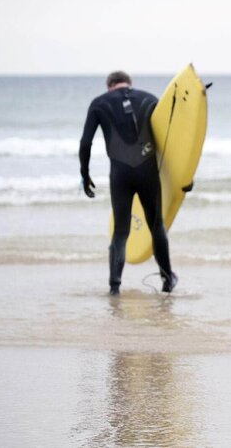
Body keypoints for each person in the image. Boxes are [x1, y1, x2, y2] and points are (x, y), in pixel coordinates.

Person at [79, 71, 177, 296]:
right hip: (147, 171)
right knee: (156, 225)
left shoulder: (98, 103)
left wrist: (85, 175)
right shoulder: (150, 99)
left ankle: (114, 287)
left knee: (121, 232)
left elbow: (85, 143)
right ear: (129, 83)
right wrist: (182, 177)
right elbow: (170, 137)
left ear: (109, 85)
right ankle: (167, 279)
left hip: (119, 175)